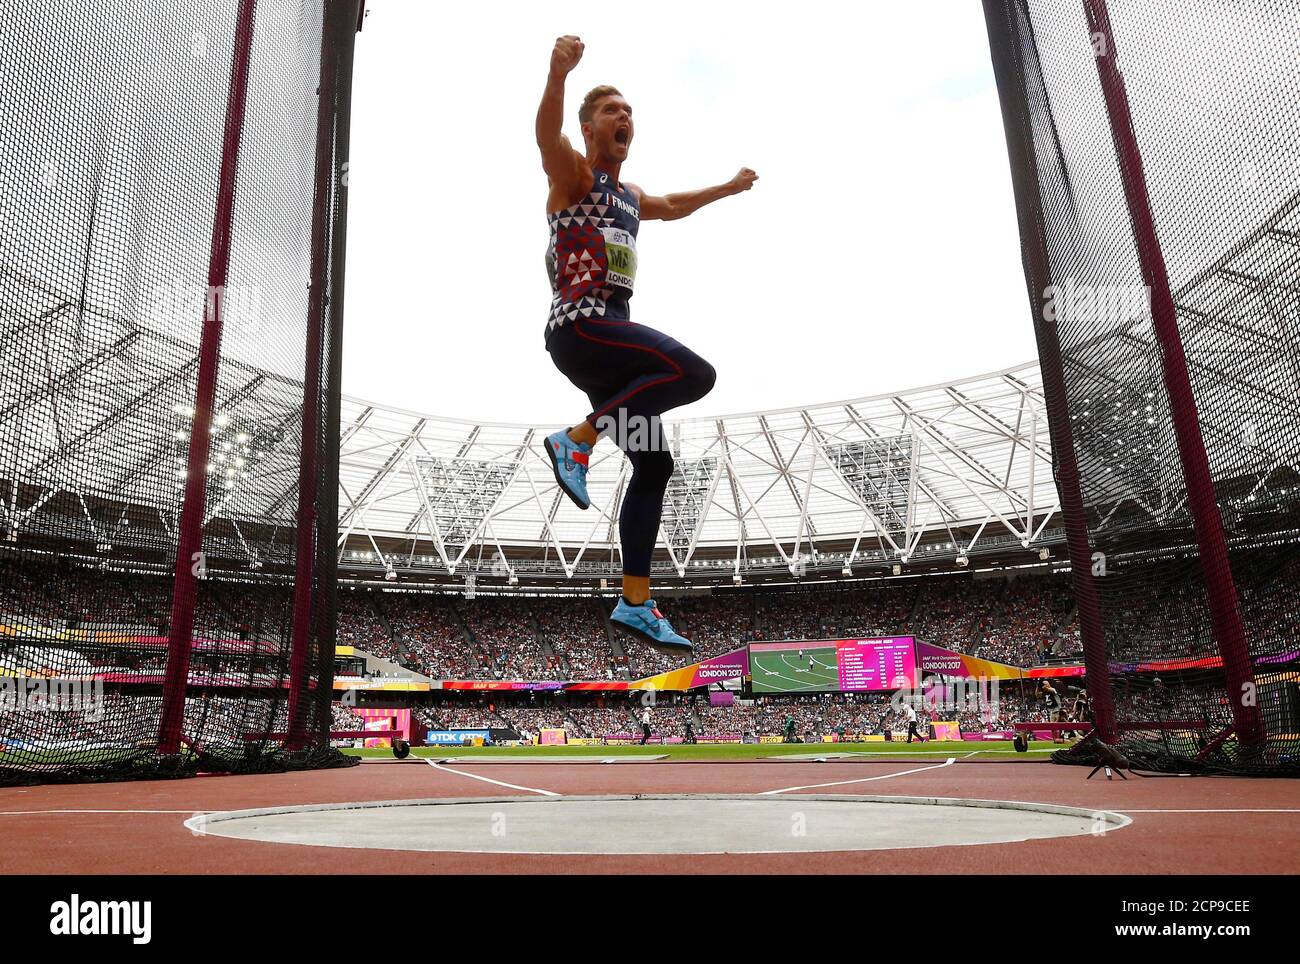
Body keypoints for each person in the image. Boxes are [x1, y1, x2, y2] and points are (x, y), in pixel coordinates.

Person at [535, 35, 758, 652]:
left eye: (629, 111)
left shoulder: (629, 197)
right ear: (588, 128)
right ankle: (575, 440)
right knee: (693, 372)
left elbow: (671, 204)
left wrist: (727, 189)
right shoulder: (574, 175)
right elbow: (545, 137)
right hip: (583, 329)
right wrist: (557, 74)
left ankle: (636, 602)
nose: (624, 117)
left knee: (655, 463)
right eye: (612, 111)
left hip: (609, 363)